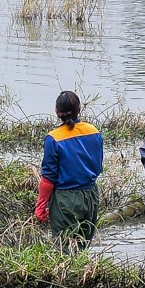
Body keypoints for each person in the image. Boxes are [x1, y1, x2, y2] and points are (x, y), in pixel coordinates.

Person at [35, 90, 103, 243]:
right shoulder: (94, 131)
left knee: (63, 247)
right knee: (83, 244)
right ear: (79, 109)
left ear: (57, 112)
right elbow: (98, 167)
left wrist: (40, 206)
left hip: (65, 199)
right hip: (91, 194)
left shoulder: (53, 138)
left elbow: (48, 179)